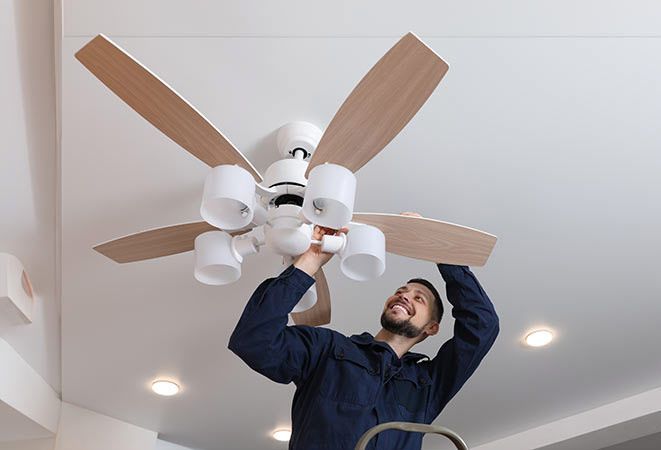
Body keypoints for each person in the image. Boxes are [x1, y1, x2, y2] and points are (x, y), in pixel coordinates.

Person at [228, 212, 499, 450]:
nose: (404, 296)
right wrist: (309, 263)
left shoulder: (428, 384)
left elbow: (482, 326)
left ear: (432, 327)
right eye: (401, 291)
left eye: (419, 298)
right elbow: (253, 340)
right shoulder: (327, 350)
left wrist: (436, 249)